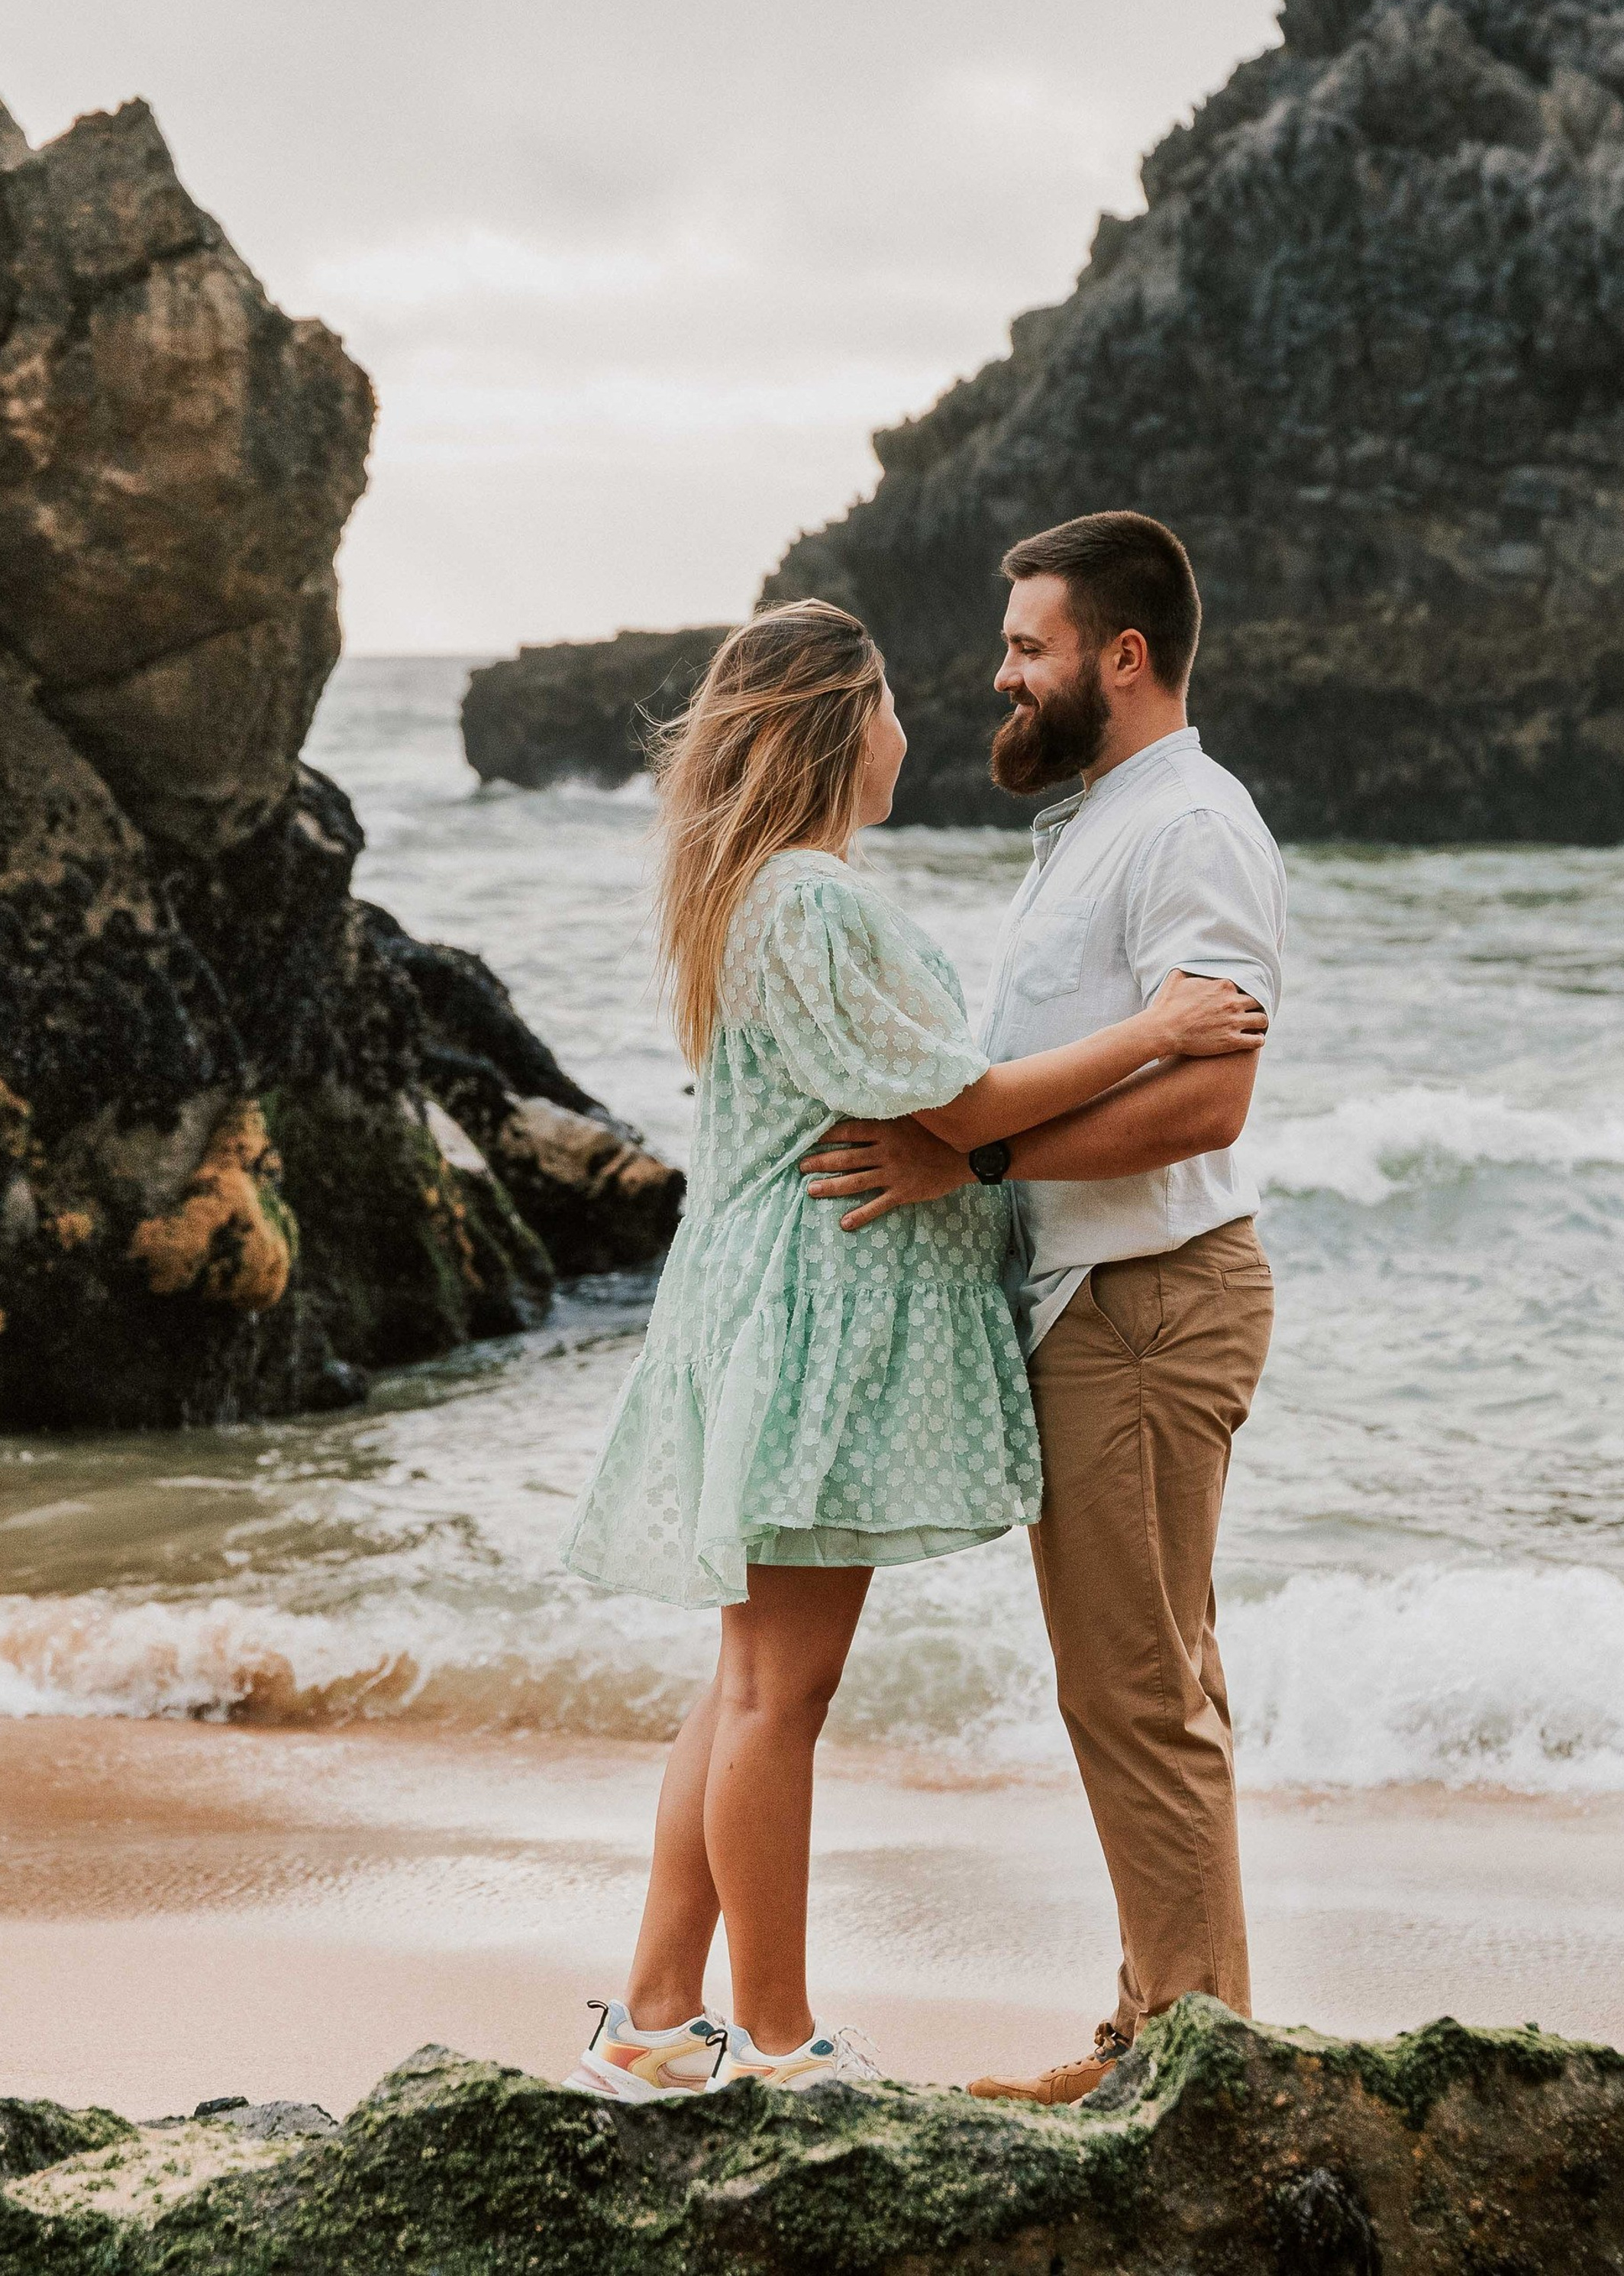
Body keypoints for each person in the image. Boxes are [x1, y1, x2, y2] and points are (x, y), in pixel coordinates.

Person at [558, 596, 1267, 2100]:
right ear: (838, 727)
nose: (910, 729)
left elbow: (934, 1102)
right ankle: (772, 2035)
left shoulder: (765, 891)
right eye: (885, 705)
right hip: (814, 1320)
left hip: (776, 1304)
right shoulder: (806, 900)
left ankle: (651, 2011)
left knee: (744, 1678)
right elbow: (954, 1101)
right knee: (776, 1692)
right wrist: (1158, 1027)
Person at [799, 512, 1284, 2103]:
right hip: (1102, 1297)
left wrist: (977, 1153)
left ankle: (1192, 2068)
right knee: (1132, 1679)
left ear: (1120, 658)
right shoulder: (1098, 821)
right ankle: (1161, 2029)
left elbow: (1208, 1100)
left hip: (1147, 1296)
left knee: (1135, 1688)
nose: (998, 673)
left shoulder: (1190, 826)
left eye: (1028, 646)